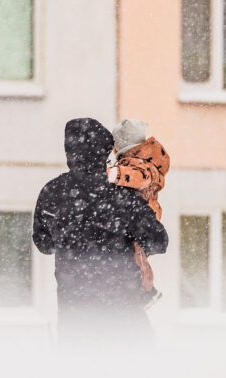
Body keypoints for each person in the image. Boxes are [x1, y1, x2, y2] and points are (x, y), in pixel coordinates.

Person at [33, 118, 169, 337]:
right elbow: (158, 241)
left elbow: (44, 244)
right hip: (125, 320)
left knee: (84, 369)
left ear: (69, 150)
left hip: (75, 321)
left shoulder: (52, 192)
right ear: (106, 149)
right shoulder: (122, 192)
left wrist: (72, 238)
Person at [107, 119, 171, 307]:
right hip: (143, 213)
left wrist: (113, 174)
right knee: (138, 255)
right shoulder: (139, 161)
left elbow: (140, 178)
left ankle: (146, 291)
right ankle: (145, 291)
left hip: (144, 212)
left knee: (138, 256)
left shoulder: (139, 165)